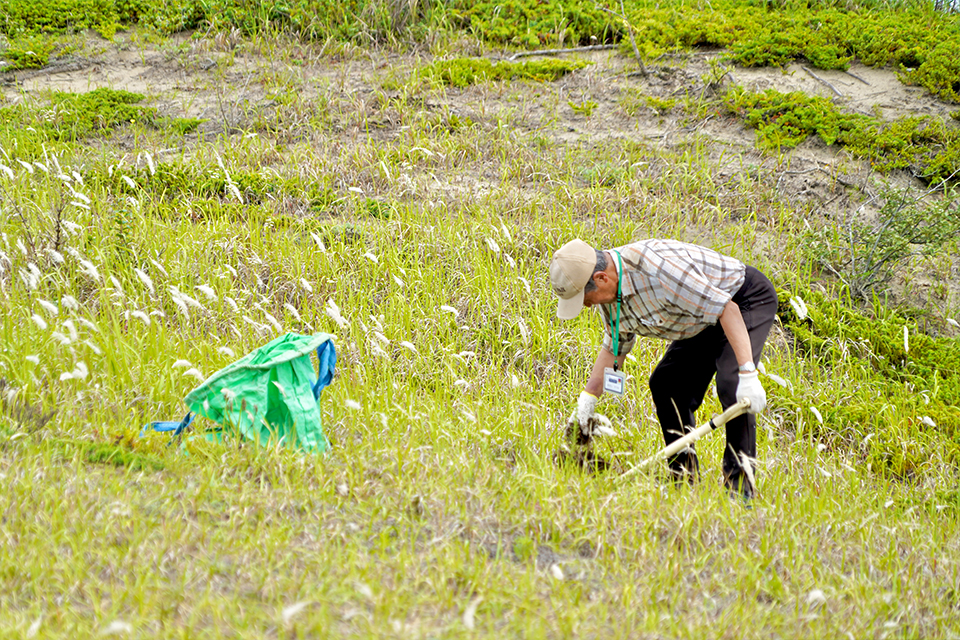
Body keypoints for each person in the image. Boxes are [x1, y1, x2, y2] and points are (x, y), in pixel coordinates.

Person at [549, 238, 778, 499]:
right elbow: (615, 349)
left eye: (584, 298)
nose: (587, 305)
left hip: (742, 300)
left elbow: (727, 309)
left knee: (734, 386)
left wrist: (748, 373)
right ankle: (683, 479)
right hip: (701, 316)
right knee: (667, 383)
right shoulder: (609, 296)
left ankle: (740, 493)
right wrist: (587, 400)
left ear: (601, 278)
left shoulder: (660, 270)